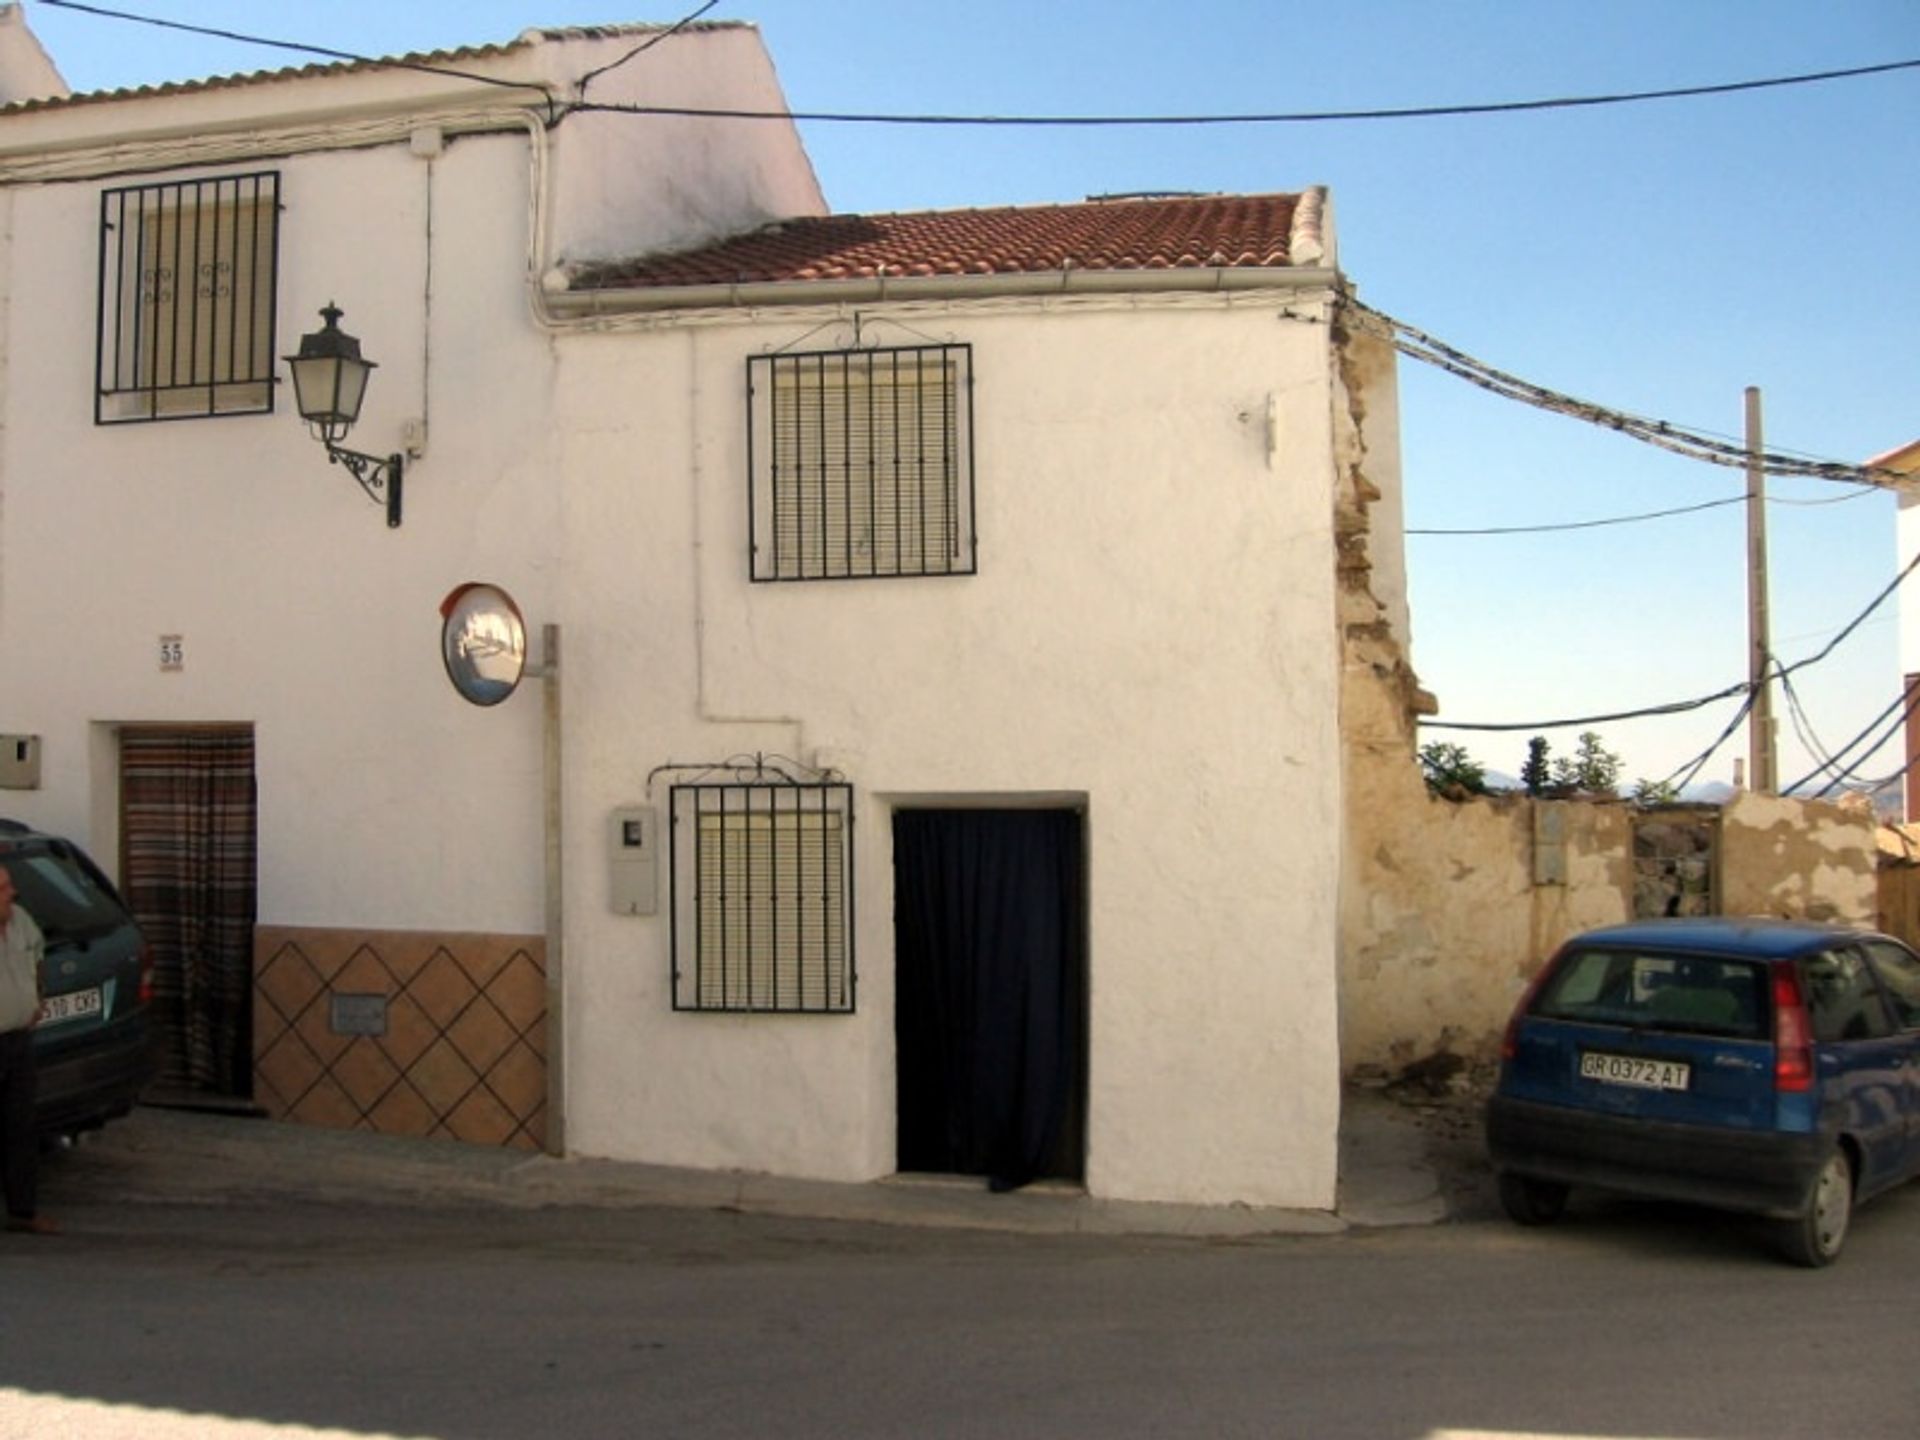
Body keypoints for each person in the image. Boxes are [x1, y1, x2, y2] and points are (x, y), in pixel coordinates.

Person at [0, 863, 55, 1235]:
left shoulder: (20, 920)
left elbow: (37, 956)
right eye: (3, 888)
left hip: (17, 1041)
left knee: (21, 1125)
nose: (13, 892)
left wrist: (37, 998)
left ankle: (23, 1211)